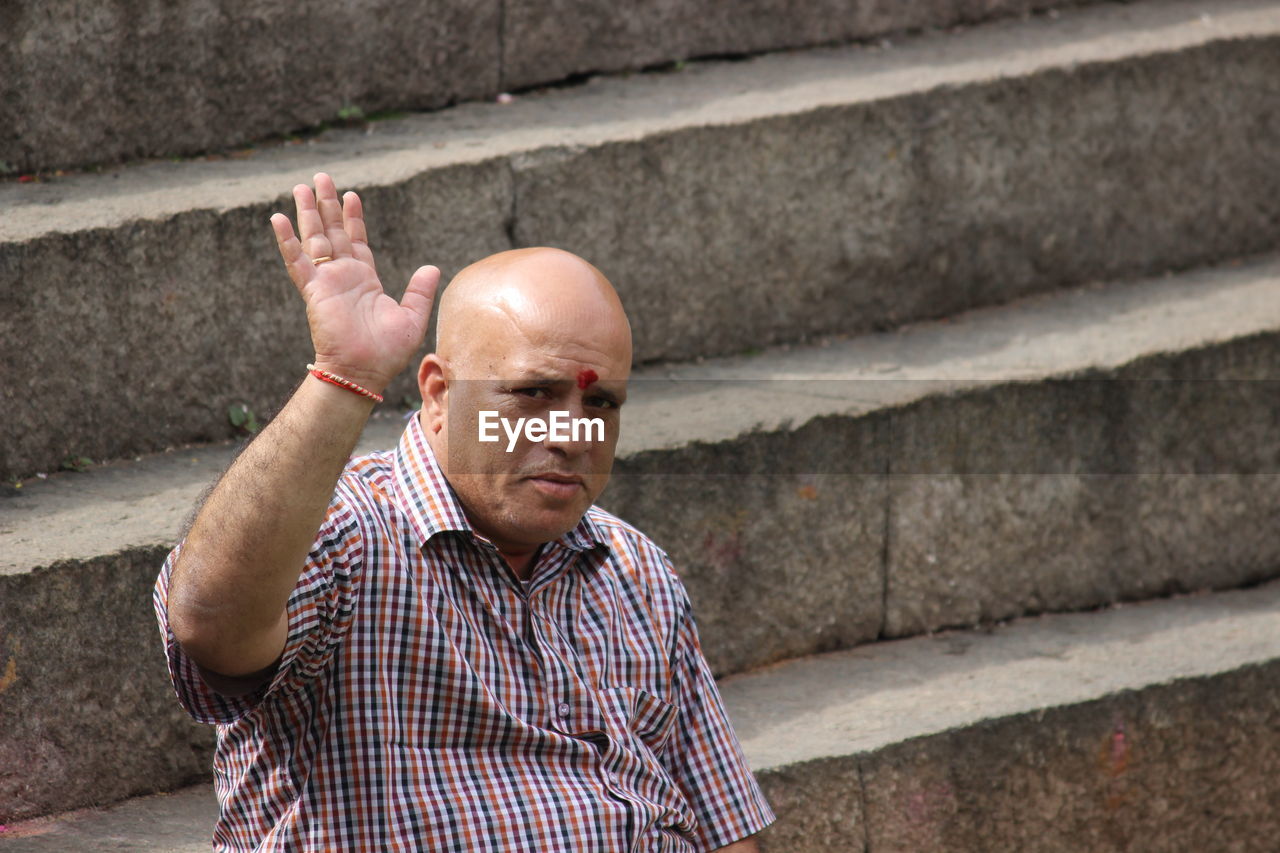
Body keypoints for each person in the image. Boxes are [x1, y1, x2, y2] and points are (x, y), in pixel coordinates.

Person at [153, 173, 775, 851]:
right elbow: (208, 620)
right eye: (533, 392)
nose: (571, 433)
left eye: (601, 403)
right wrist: (343, 379)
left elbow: (723, 825)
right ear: (439, 393)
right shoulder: (347, 538)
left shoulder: (635, 569)